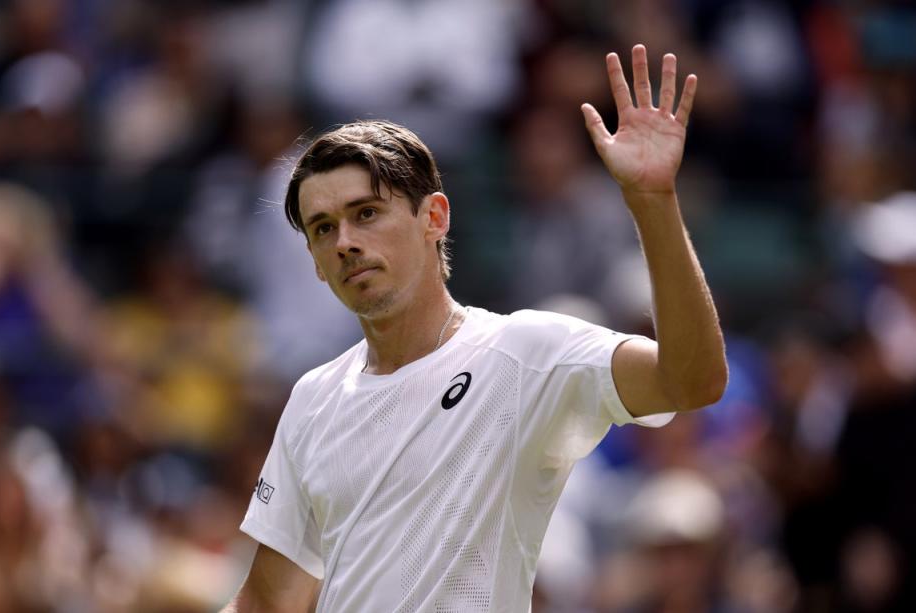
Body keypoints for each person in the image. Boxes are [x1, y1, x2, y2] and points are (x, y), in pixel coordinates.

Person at [222, 45, 727, 612]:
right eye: (323, 228)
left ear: (433, 218)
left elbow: (691, 382)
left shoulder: (525, 353)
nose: (345, 242)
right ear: (315, 261)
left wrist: (652, 201)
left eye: (366, 213)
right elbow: (267, 602)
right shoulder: (313, 399)